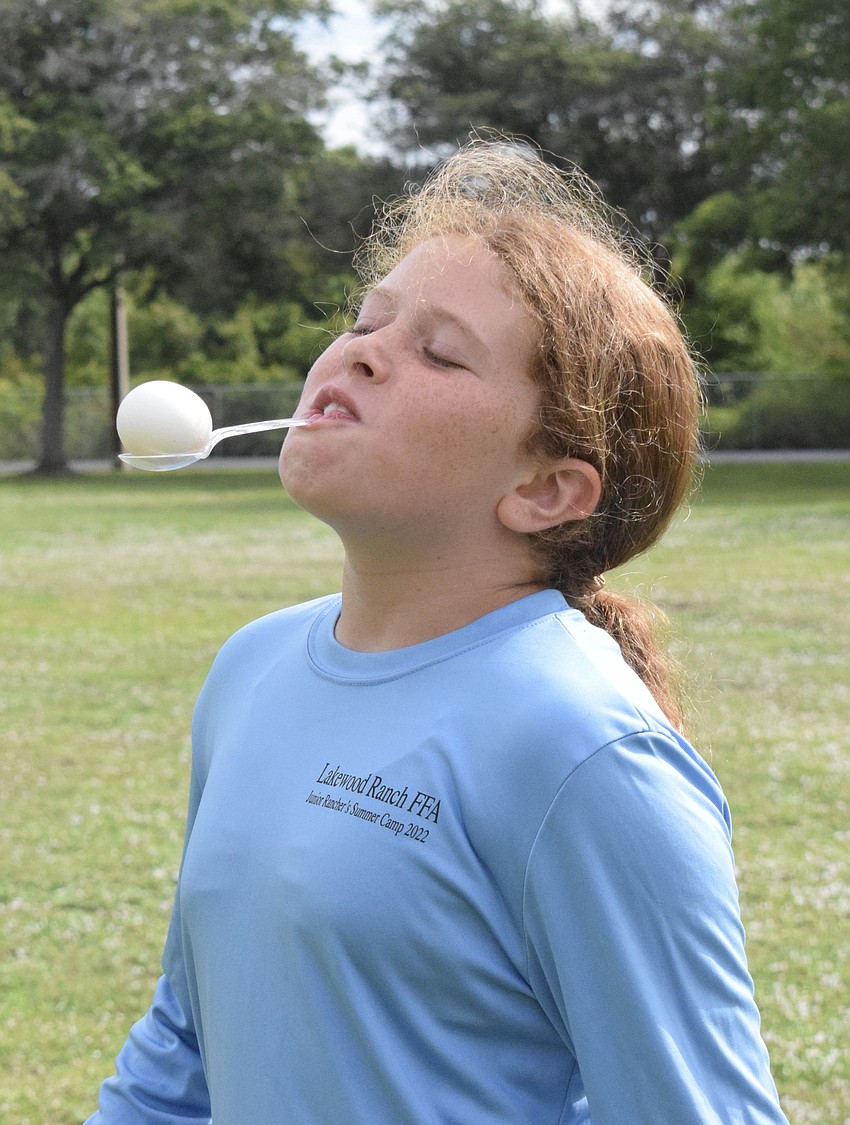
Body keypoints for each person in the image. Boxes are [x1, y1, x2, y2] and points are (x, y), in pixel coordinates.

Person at [86, 138, 788, 1124]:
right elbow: (185, 1041)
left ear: (545, 488)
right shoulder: (251, 668)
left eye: (439, 351)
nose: (359, 351)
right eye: (367, 321)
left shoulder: (582, 747)